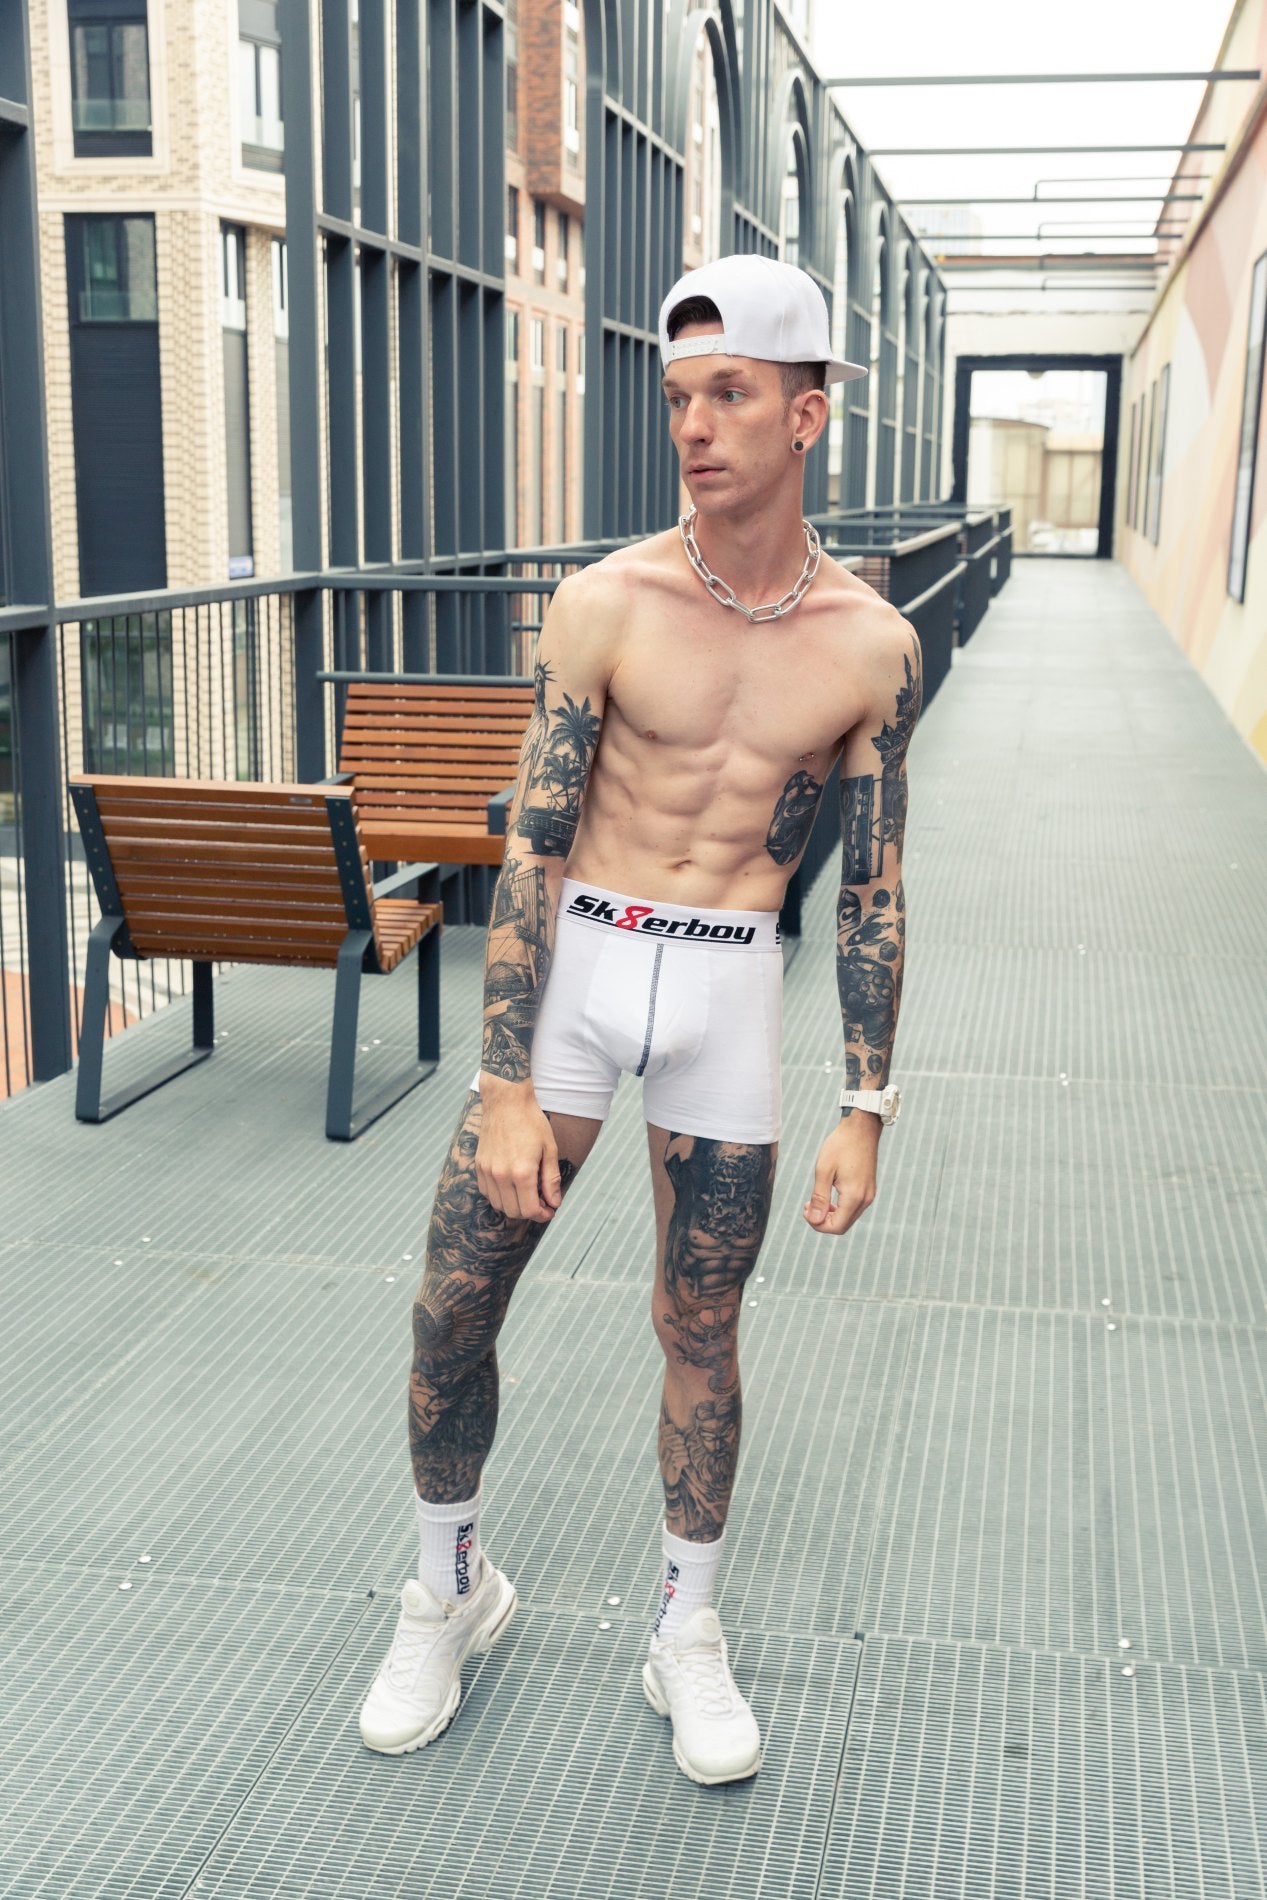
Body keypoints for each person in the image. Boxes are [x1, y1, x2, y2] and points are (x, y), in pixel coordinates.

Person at [358, 252, 922, 1785]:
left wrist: (867, 1105)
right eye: (678, 397)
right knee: (453, 1303)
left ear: (807, 414)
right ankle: (450, 1590)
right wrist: (503, 1081)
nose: (694, 426)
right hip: (582, 975)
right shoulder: (607, 603)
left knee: (702, 1330)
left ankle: (686, 1629)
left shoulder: (871, 645)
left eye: (729, 393)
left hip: (730, 983)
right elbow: (530, 847)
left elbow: (872, 887)